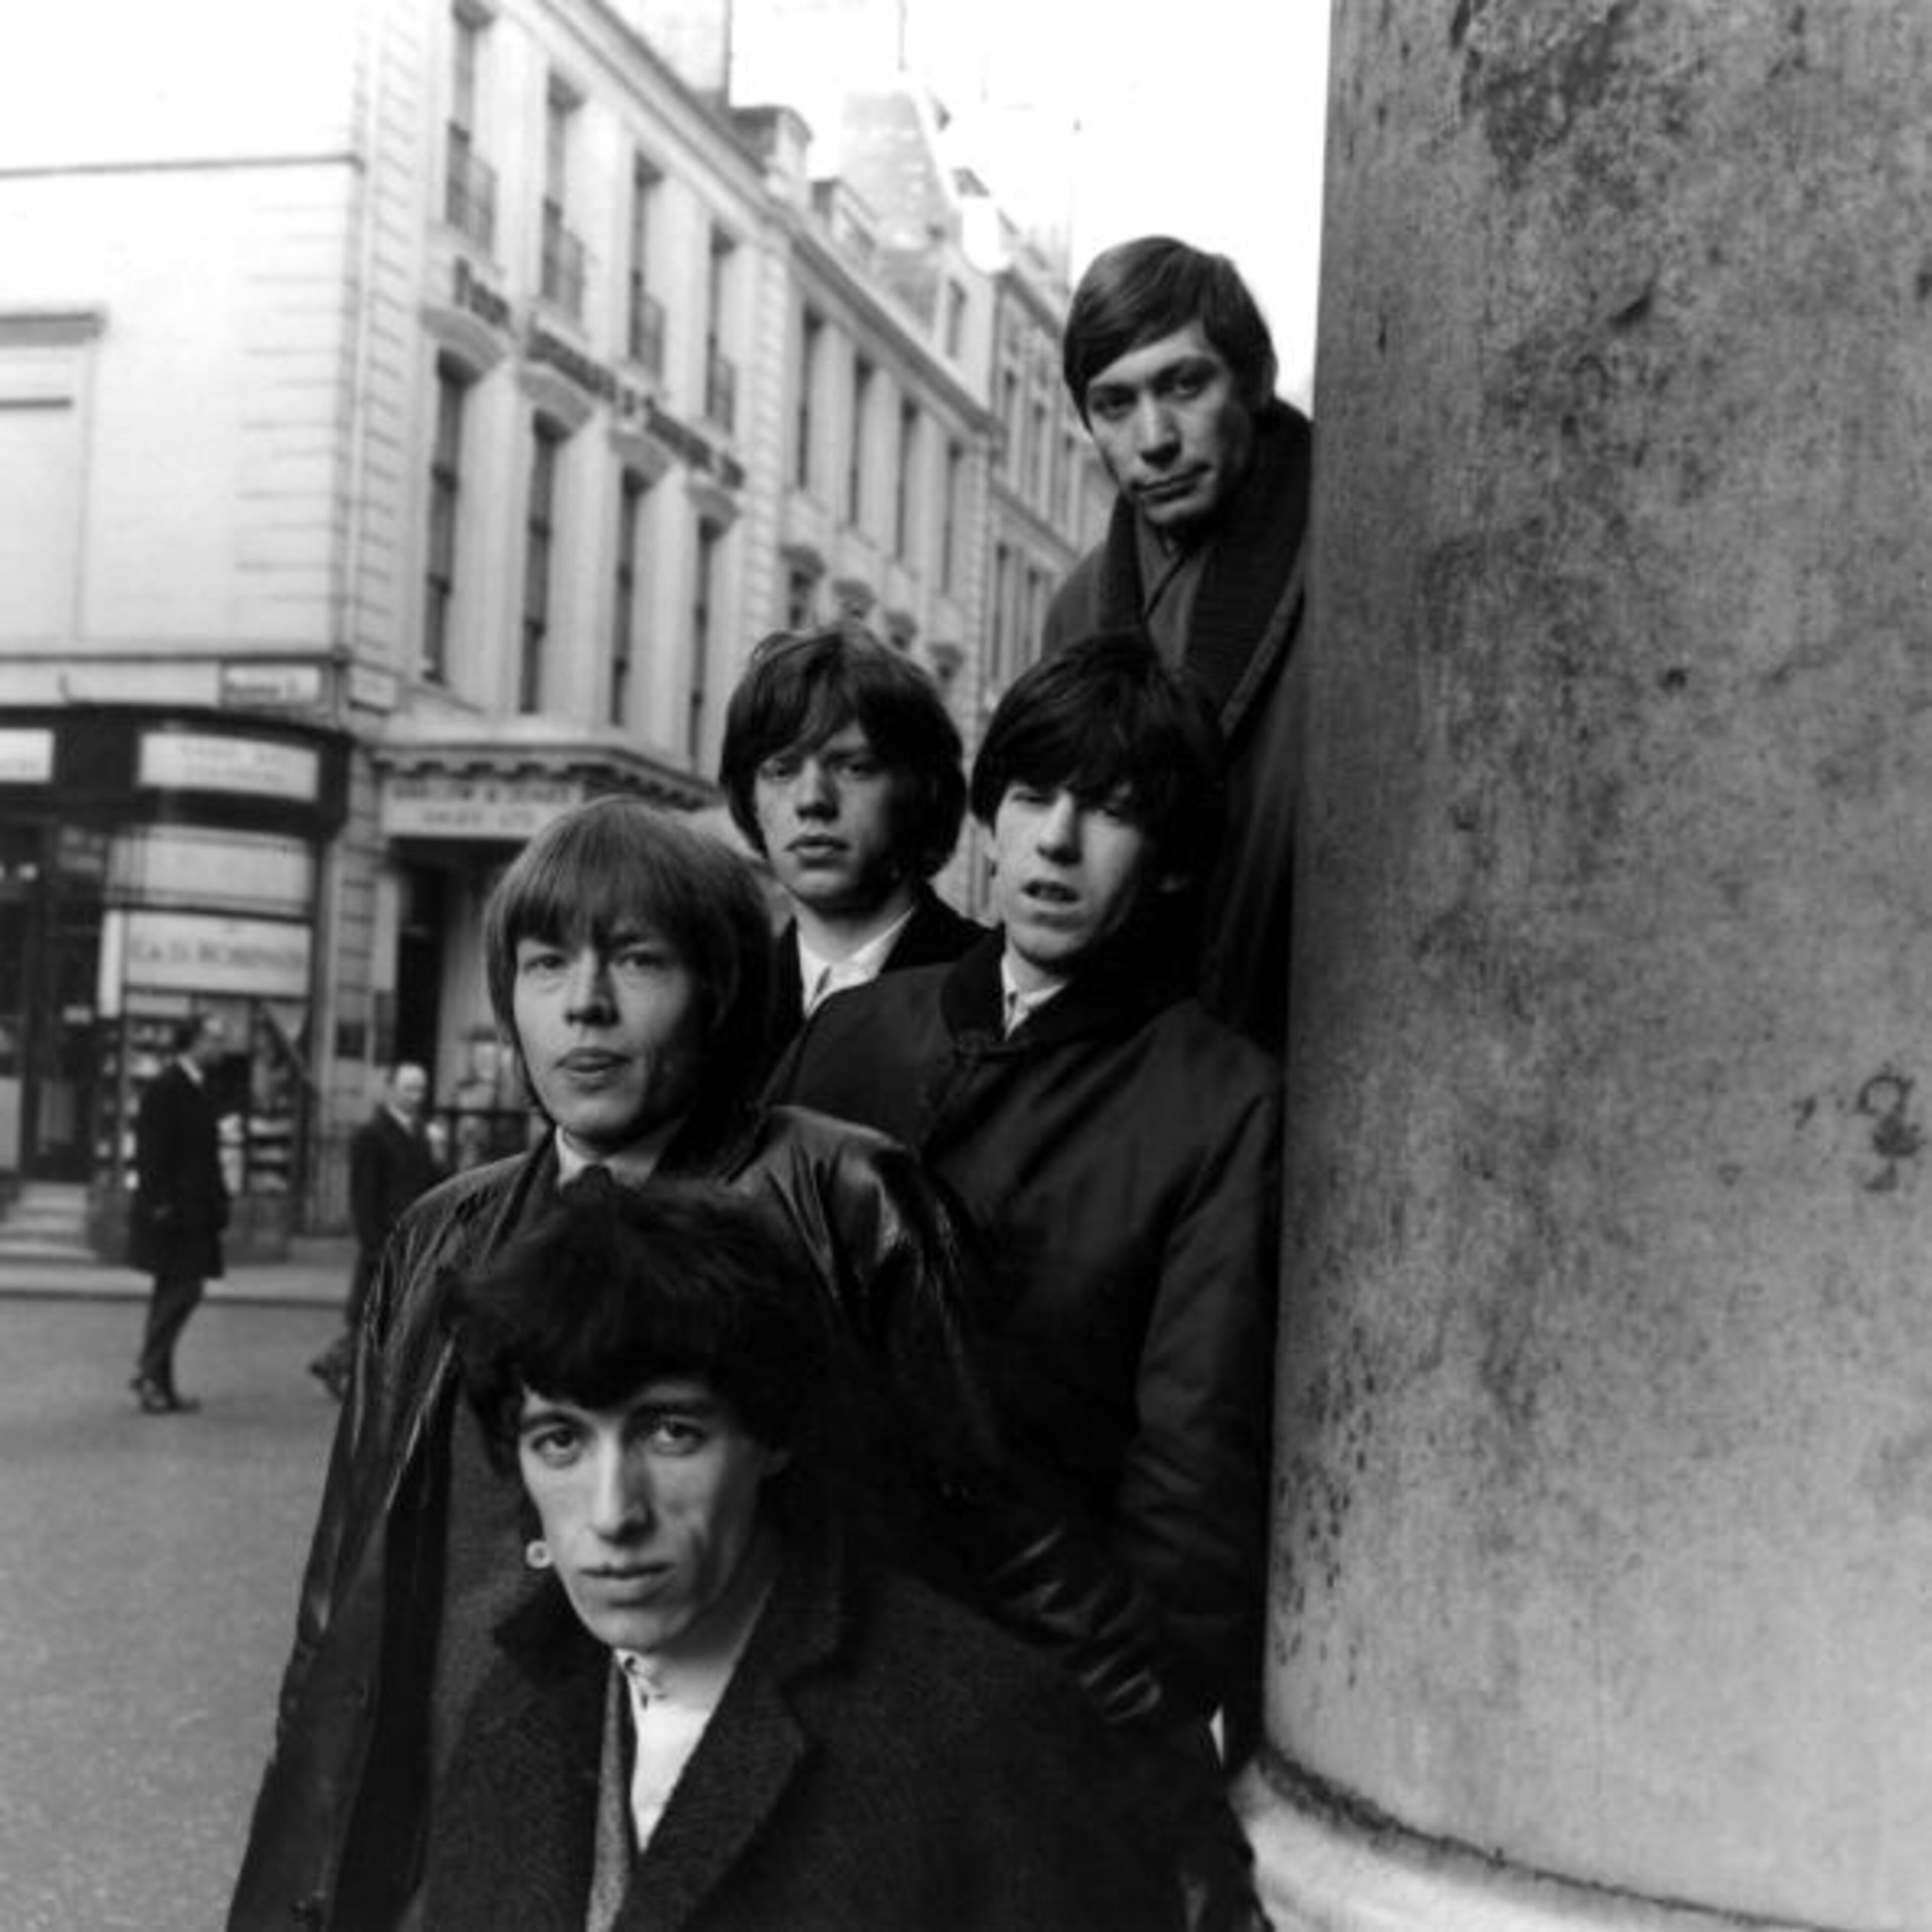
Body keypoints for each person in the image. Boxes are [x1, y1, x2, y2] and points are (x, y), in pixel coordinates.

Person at [230, 796, 1185, 1932]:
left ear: (719, 990)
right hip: (466, 1834)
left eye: (636, 961)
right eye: (546, 966)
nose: (585, 1005)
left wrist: (1171, 1822)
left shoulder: (850, 1201)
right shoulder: (443, 1233)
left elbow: (1016, 1556)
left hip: (761, 1825)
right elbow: (347, 1586)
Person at [770, 631, 1282, 1760]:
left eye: (1111, 810)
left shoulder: (1219, 1101)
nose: (1057, 840)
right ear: (987, 822)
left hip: (1024, 1691)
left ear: (1175, 858)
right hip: (793, 1648)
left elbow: (1191, 1468)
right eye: (1032, 795)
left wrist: (1133, 1714)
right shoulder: (855, 1033)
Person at [424, 1176, 1181, 1931]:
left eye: (671, 1433)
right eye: (561, 1442)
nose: (613, 1512)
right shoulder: (514, 1704)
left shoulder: (988, 1736)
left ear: (772, 1436)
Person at [1044, 235, 1311, 1058]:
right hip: (1133, 1076)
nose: (1153, 438)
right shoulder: (1081, 606)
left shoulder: (1354, 546)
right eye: (1115, 405)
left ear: (1256, 380)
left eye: (1184, 384)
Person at [718, 621, 983, 1068]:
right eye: (782, 771)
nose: (812, 801)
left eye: (854, 768)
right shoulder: (722, 1010)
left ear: (921, 791)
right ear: (751, 799)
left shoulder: (991, 989)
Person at [307, 1062, 442, 1400]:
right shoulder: (372, 1135)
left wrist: (439, 1155)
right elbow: (364, 1196)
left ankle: (339, 1362)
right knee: (380, 1312)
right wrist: (372, 1245)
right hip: (385, 1238)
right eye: (409, 1089)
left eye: (421, 1090)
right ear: (391, 1090)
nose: (416, 1097)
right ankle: (343, 1363)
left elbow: (435, 1184)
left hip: (416, 1237)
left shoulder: (421, 1132)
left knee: (389, 1311)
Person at [127, 1011, 229, 1415]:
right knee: (184, 1291)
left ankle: (162, 1386)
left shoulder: (197, 1086)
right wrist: (159, 1205)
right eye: (216, 1039)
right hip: (173, 1216)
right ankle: (149, 1373)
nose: (222, 1047)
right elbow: (150, 1153)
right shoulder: (168, 1087)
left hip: (195, 1214)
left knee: (170, 1295)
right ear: (196, 1042)